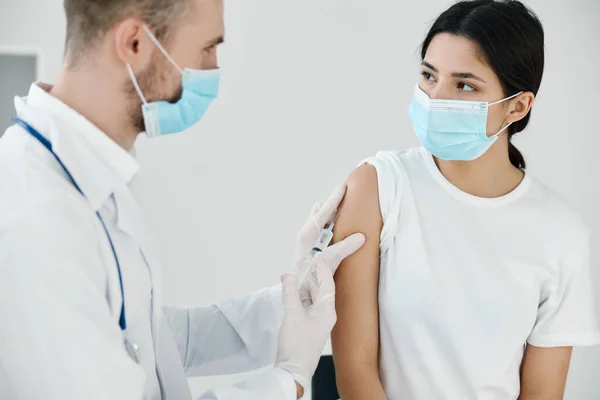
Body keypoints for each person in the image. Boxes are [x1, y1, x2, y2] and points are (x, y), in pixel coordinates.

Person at [0, 0, 366, 399]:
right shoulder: (35, 214)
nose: (213, 72)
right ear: (135, 43)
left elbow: (152, 339)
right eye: (208, 48)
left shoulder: (92, 176)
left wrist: (292, 303)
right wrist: (288, 379)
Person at [331, 1, 600, 399]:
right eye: (428, 75)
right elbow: (354, 368)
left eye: (465, 84)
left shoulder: (561, 232)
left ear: (517, 106)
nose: (436, 97)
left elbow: (542, 393)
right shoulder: (377, 187)